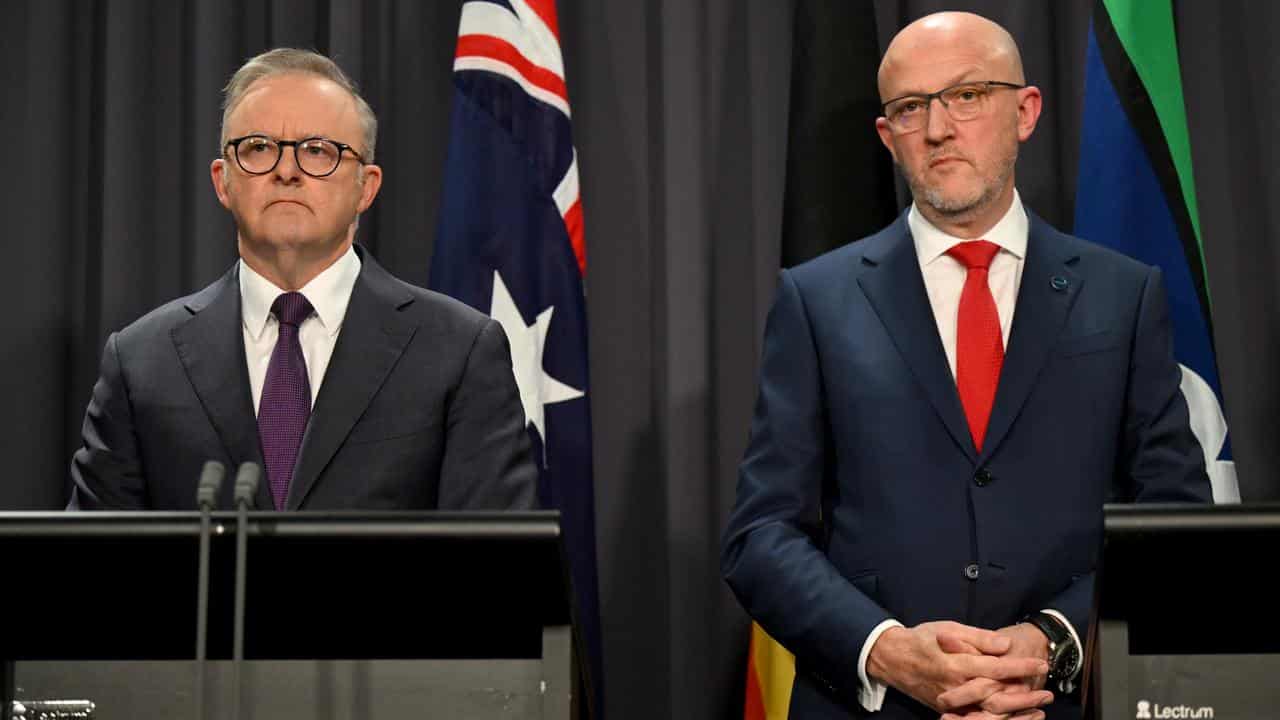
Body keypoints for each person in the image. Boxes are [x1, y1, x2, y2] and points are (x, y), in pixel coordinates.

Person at [721, 12, 1211, 720]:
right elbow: (760, 535)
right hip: (876, 706)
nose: (939, 128)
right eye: (911, 108)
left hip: (1064, 702)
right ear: (889, 138)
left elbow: (1176, 518)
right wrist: (886, 650)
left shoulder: (1124, 295)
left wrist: (1054, 642)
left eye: (968, 95)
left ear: (1026, 111)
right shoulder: (816, 300)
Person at [70, 48, 537, 512]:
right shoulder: (141, 362)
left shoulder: (458, 352)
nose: (286, 171)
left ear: (367, 186)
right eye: (258, 148)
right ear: (222, 180)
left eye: (319, 151)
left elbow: (494, 565)